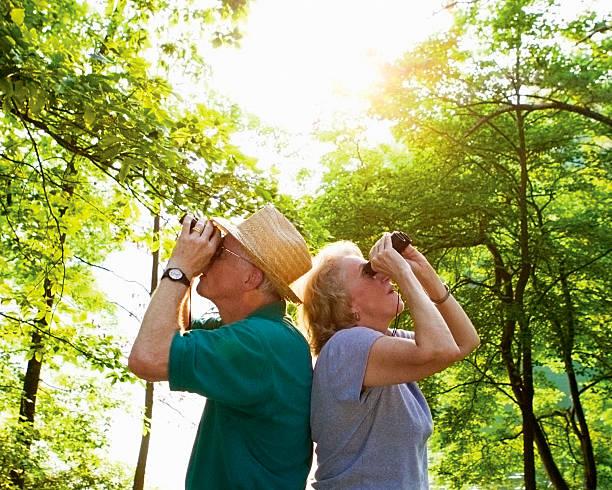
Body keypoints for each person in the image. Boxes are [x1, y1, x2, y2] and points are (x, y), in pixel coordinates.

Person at [128, 204, 314, 490]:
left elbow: (148, 357)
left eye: (220, 252)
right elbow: (175, 328)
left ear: (252, 278)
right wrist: (186, 267)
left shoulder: (259, 343)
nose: (210, 257)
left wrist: (180, 268)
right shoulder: (263, 332)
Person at [300, 234, 480, 489]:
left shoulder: (385, 343)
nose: (384, 275)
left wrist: (422, 269)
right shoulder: (346, 347)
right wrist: (403, 274)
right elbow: (440, 349)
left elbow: (464, 342)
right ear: (347, 305)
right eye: (368, 272)